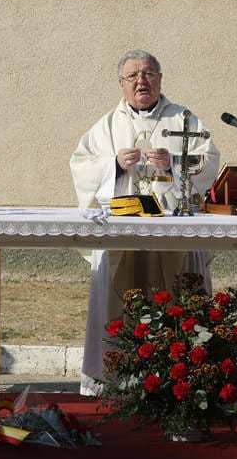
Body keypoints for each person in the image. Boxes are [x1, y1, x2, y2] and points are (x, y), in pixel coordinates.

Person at [70, 49, 221, 396]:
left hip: (172, 232)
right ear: (121, 84)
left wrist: (173, 164)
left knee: (177, 296)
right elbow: (80, 165)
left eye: (149, 74)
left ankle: (182, 379)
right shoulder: (107, 125)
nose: (141, 81)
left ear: (160, 79)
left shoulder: (184, 119)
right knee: (121, 297)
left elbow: (209, 162)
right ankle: (118, 380)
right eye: (133, 76)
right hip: (124, 230)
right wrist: (114, 165)